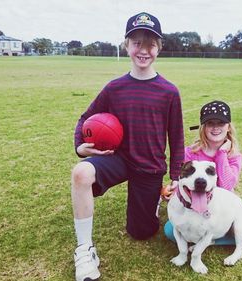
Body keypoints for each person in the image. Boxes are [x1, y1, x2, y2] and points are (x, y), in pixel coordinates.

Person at [71, 12, 184, 281]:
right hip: (118, 158)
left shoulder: (169, 91)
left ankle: (152, 199)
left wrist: (176, 177)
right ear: (126, 45)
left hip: (149, 166)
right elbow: (85, 118)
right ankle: (84, 249)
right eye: (136, 43)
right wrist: (81, 147)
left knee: (141, 233)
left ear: (159, 48)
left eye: (150, 44)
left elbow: (176, 137)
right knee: (81, 173)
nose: (143, 50)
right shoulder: (115, 88)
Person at [163, 100, 242, 247]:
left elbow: (226, 186)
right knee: (171, 231)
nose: (216, 128)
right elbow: (182, 181)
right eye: (210, 123)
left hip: (223, 208)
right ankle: (230, 237)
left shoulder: (234, 156)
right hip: (193, 209)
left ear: (228, 127)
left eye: (221, 123)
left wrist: (221, 153)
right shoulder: (190, 153)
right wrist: (171, 190)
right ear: (203, 127)